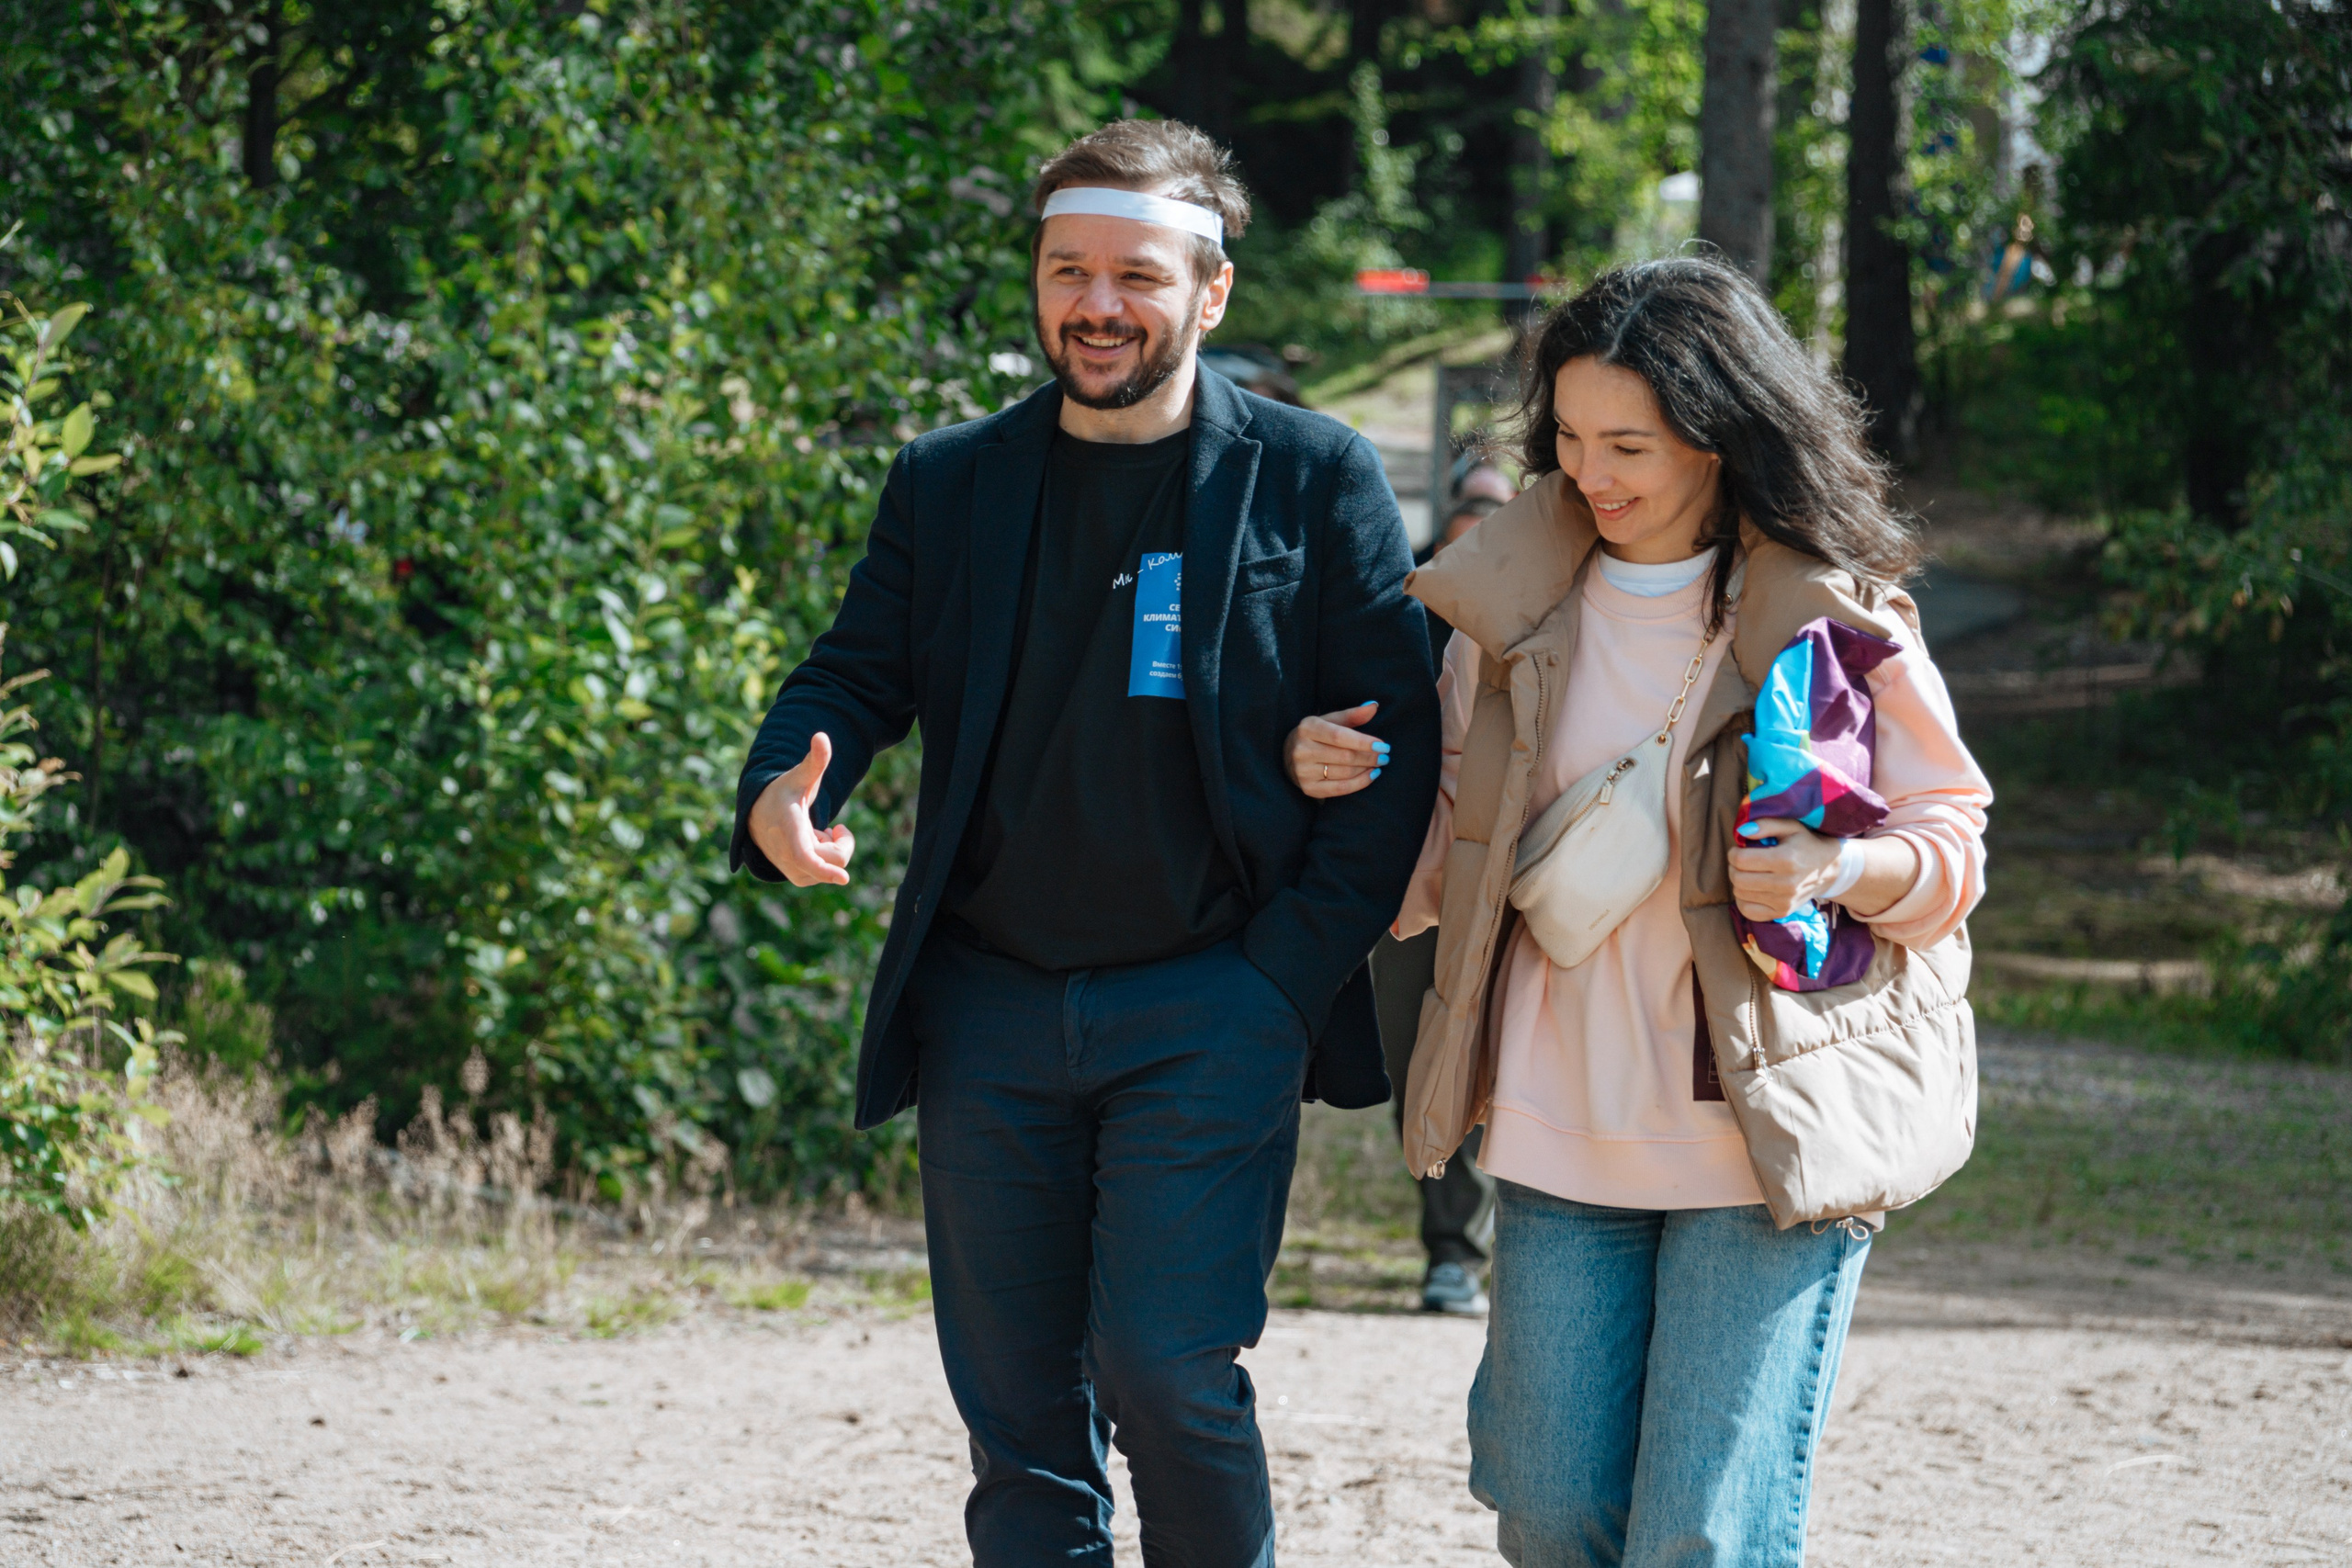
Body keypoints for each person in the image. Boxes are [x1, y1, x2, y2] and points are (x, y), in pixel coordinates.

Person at [730, 118, 1440, 1566]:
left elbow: (1397, 748)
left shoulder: (1313, 475)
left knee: (1169, 1377)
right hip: (989, 1001)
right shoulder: (950, 480)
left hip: (1210, 999)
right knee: (1021, 1422)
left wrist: (1280, 980)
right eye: (1068, 271)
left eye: (1136, 274)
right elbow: (853, 674)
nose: (1097, 305)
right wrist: (780, 793)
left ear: (1212, 292)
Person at [1285, 255, 1990, 1563]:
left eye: (1632, 444)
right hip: (1559, 1129)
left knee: (1701, 1538)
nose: (1593, 473)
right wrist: (1324, 791)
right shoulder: (1502, 612)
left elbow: (1953, 840)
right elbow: (1437, 841)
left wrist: (1841, 869)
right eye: (1567, 437)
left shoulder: (1831, 618)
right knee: (1549, 1514)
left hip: (1762, 1138)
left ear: (1721, 439)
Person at [1373, 481, 1506, 1315]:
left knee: (1497, 1062)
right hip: (1411, 883)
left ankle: (1465, 1246)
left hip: (1514, 883)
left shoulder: (1557, 613)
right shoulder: (1400, 611)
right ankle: (1447, 1238)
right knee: (1415, 1065)